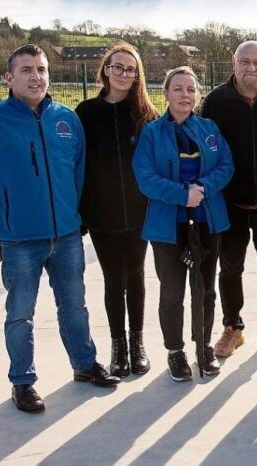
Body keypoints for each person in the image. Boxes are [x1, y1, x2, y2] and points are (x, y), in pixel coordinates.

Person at [0, 44, 120, 413]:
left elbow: (78, 172)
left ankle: (84, 365)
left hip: (66, 235)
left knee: (75, 307)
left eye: (42, 69)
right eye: (27, 70)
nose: (36, 76)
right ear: (9, 77)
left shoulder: (66, 119)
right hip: (18, 240)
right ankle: (23, 381)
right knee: (21, 314)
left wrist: (74, 216)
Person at [132, 66, 234, 381]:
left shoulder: (209, 129)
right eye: (178, 88)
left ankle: (203, 347)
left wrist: (201, 188)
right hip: (168, 227)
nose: (185, 95)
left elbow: (226, 166)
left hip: (207, 222)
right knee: (173, 292)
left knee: (205, 290)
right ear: (165, 93)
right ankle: (175, 352)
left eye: (191, 89)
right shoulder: (151, 133)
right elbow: (145, 177)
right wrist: (181, 194)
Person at [199, 41, 257, 358]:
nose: (251, 68)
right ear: (234, 63)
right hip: (230, 204)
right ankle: (232, 328)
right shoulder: (214, 102)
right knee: (230, 270)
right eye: (245, 61)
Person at [76, 43, 158, 377]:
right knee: (113, 279)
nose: (124, 74)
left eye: (130, 69)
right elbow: (78, 166)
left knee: (136, 276)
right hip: (102, 215)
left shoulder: (146, 116)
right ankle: (118, 345)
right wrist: (81, 212)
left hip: (140, 214)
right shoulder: (85, 113)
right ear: (106, 70)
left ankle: (137, 344)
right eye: (118, 67)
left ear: (137, 75)